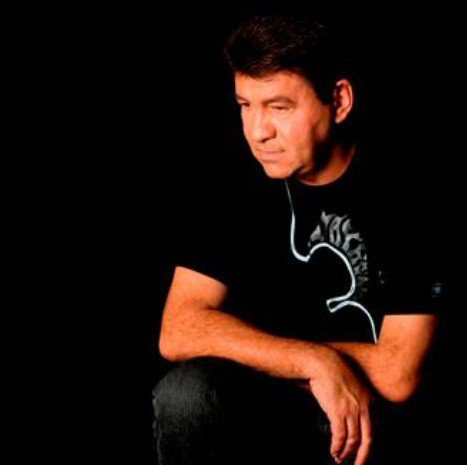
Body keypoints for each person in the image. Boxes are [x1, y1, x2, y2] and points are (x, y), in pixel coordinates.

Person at [153, 14, 448, 465]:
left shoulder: (410, 195)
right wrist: (312, 362)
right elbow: (178, 329)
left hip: (371, 427)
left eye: (279, 107)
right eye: (245, 105)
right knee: (185, 393)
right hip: (265, 408)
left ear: (339, 100)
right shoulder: (234, 184)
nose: (258, 131)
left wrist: (267, 353)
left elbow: (397, 371)